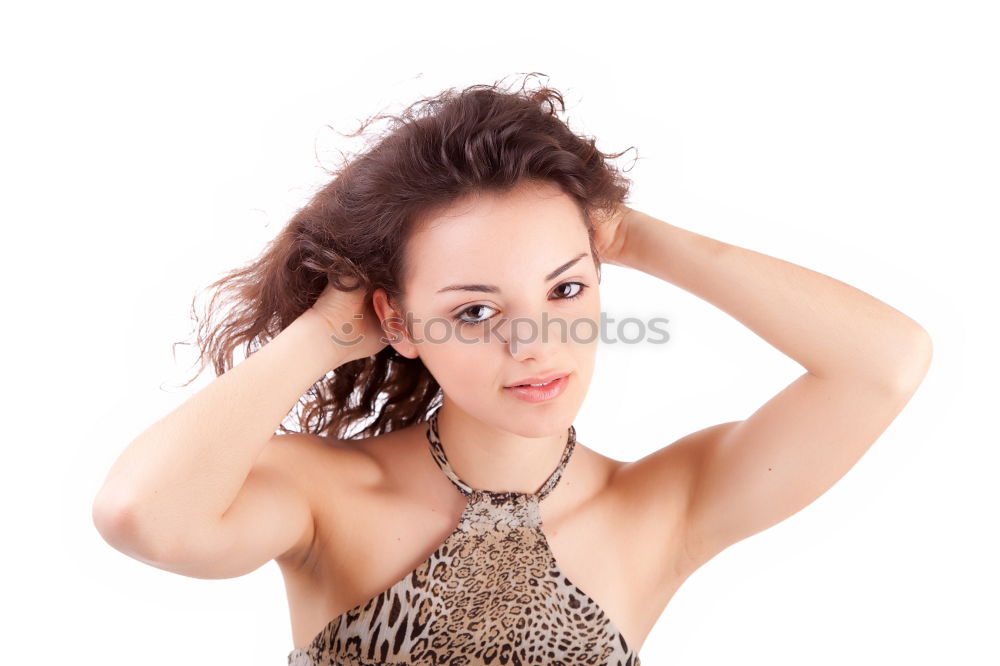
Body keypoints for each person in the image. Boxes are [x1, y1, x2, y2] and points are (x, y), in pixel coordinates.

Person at [91, 75, 933, 665]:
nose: (533, 343)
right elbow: (140, 518)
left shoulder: (657, 509)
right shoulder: (326, 498)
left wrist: (632, 236)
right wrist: (326, 331)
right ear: (398, 321)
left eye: (566, 287)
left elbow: (886, 364)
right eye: (474, 311)